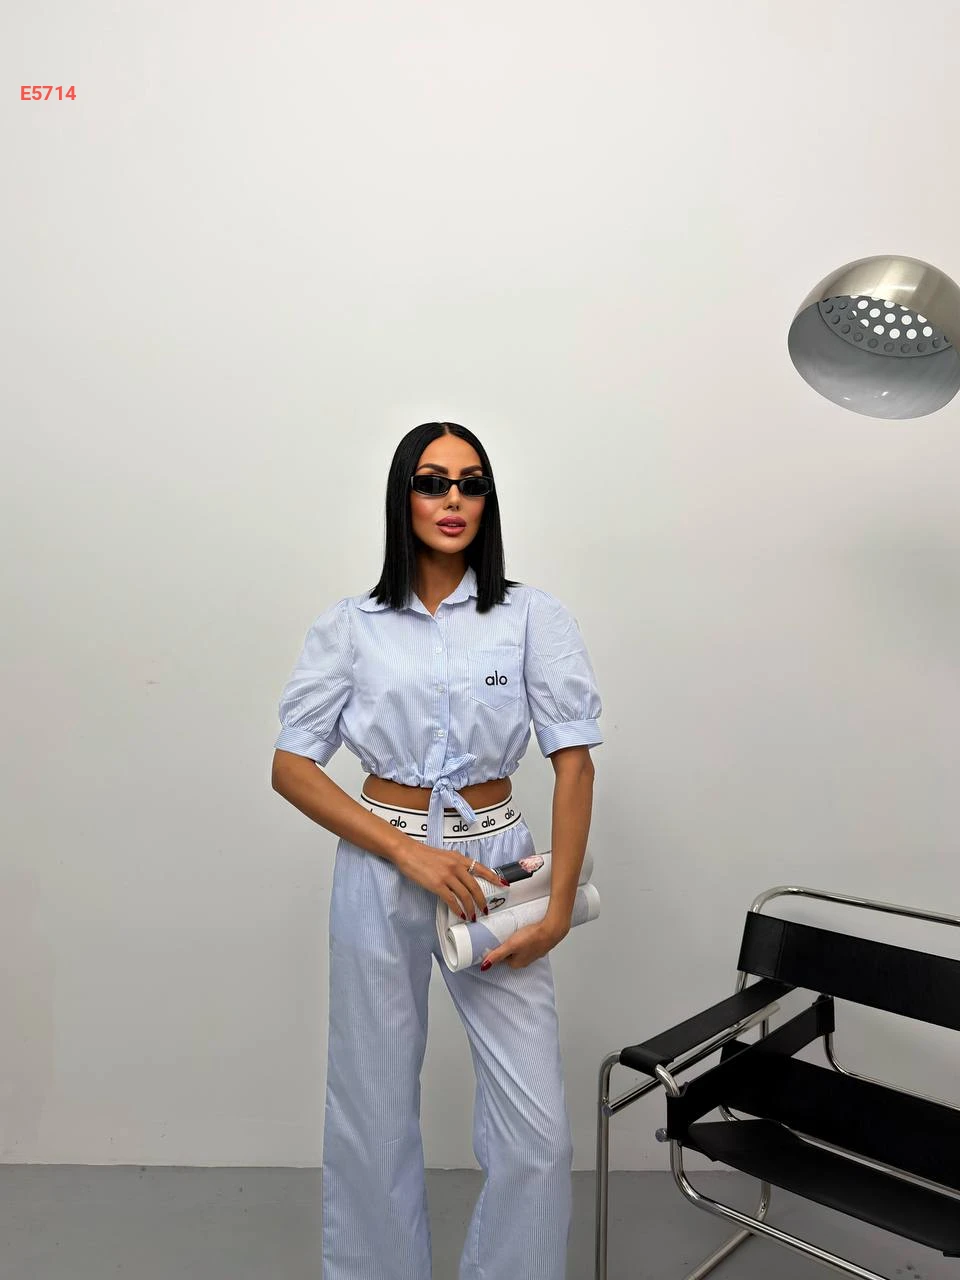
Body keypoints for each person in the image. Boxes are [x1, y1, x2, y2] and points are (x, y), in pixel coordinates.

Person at [271, 421, 602, 1280]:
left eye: (470, 482)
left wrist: (556, 911)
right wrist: (408, 854)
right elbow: (291, 767)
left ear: (487, 500)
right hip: (383, 865)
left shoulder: (531, 617)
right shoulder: (352, 627)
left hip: (496, 871)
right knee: (373, 1106)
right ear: (404, 497)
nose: (452, 499)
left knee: (538, 1134)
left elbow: (573, 766)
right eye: (431, 481)